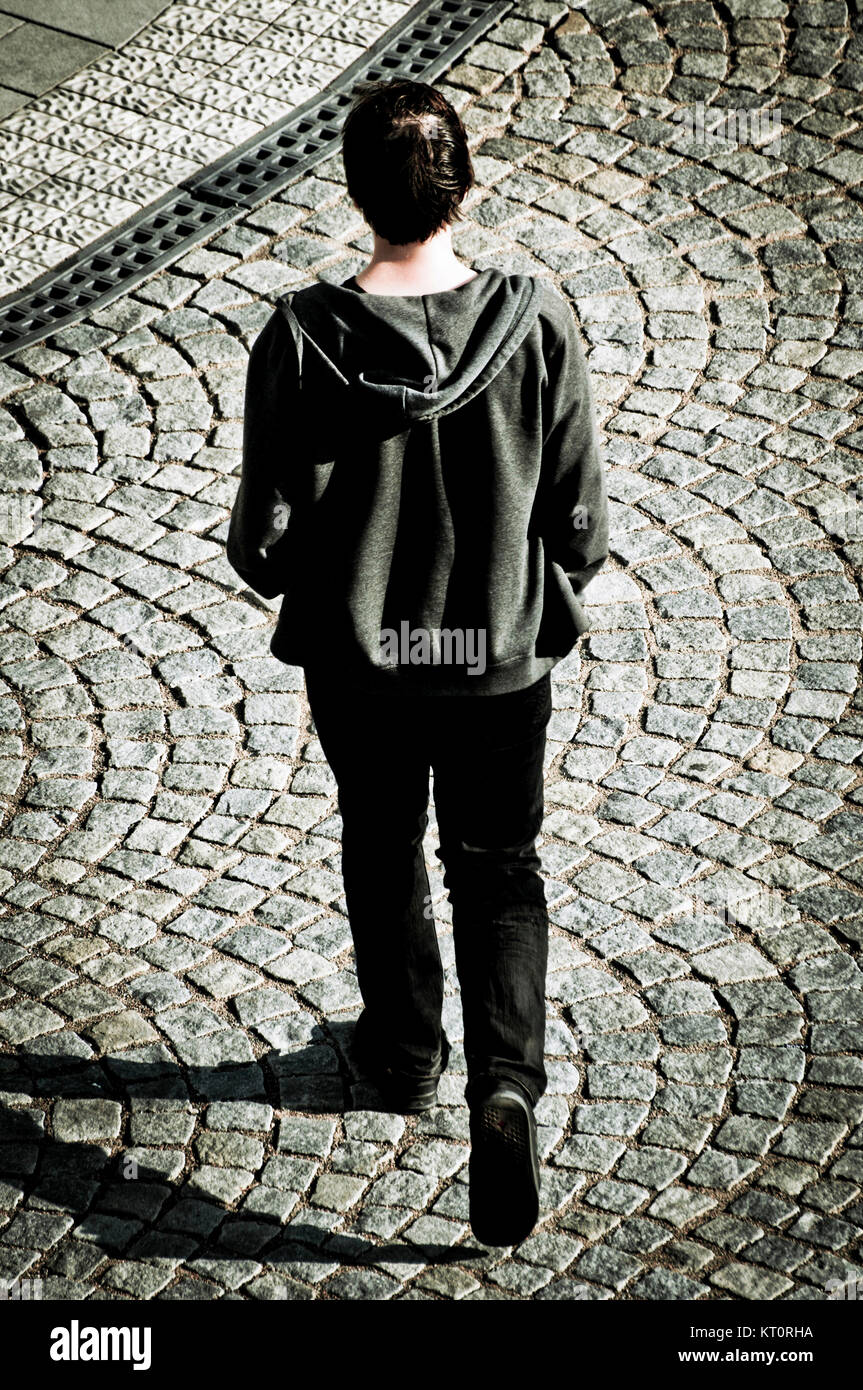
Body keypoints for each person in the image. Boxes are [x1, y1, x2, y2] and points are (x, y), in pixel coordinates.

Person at [227, 77, 609, 1248]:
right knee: (497, 867)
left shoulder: (300, 336)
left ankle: (400, 1052)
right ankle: (505, 1085)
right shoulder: (537, 315)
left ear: (354, 193)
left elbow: (263, 542)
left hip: (365, 668)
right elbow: (581, 524)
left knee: (381, 841)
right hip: (497, 664)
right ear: (463, 182)